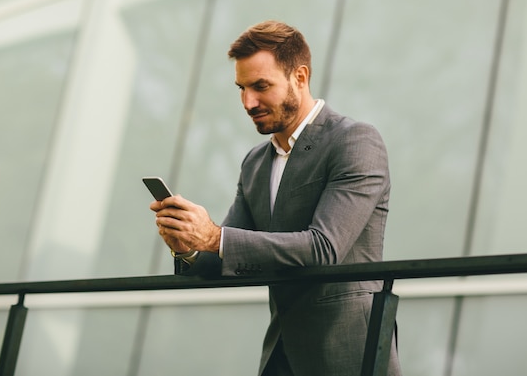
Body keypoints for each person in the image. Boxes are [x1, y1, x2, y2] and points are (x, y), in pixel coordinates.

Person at [151, 20, 401, 376]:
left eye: (260, 86)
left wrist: (213, 237)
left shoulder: (355, 141)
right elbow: (226, 257)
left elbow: (324, 249)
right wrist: (188, 244)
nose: (248, 102)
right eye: (241, 88)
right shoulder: (255, 162)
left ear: (299, 77)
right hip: (280, 355)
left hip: (348, 351)